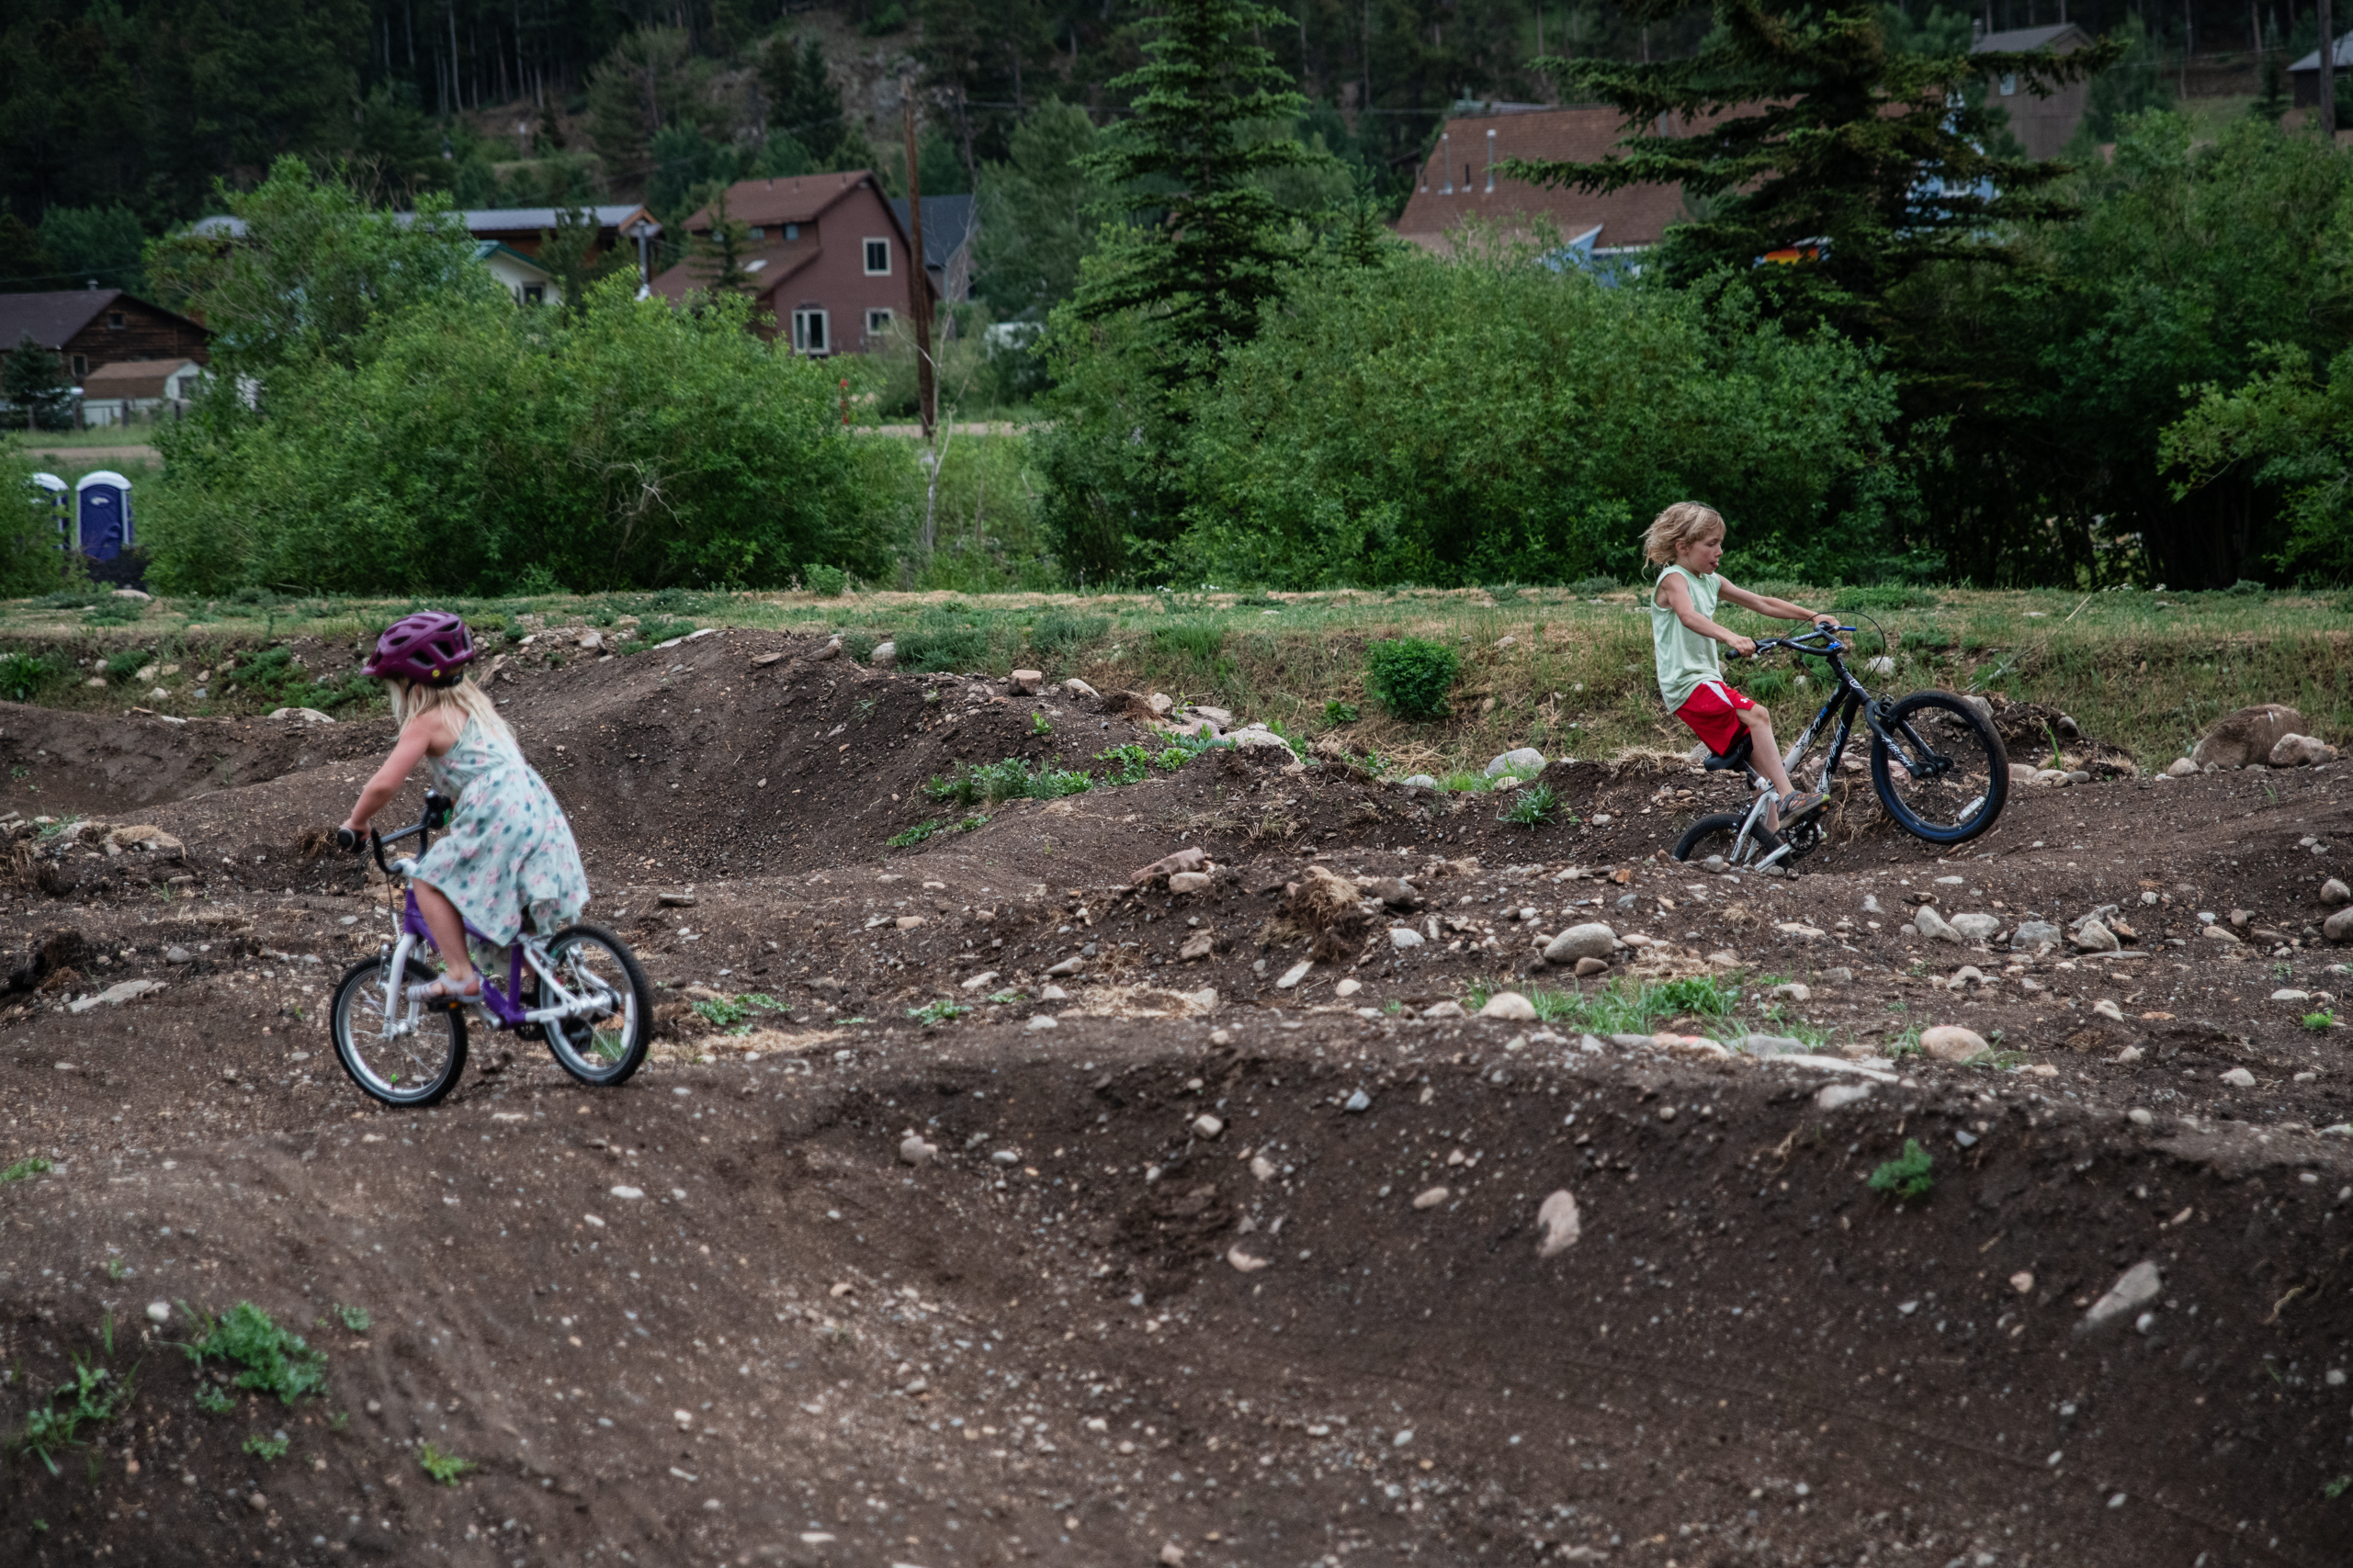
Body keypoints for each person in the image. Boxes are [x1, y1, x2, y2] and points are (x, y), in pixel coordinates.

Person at [339, 611, 589, 1002]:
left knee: (428, 881)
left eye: (395, 683)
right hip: (532, 803)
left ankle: (460, 974)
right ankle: (553, 994)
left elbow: (384, 784)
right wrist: (450, 802)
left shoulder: (426, 720)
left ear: (411, 682)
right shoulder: (478, 706)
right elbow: (478, 768)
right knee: (513, 905)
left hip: (496, 810)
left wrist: (357, 822)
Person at [1645, 502, 1838, 833]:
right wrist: (1731, 636)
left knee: (1761, 765)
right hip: (1687, 684)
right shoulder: (1673, 578)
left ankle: (1773, 840)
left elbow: (1761, 602)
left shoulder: (1711, 581)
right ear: (1683, 547)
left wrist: (1811, 615)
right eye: (1711, 544)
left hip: (1706, 682)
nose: (1719, 551)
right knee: (1758, 714)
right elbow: (1688, 616)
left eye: (1720, 543)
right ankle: (1790, 797)